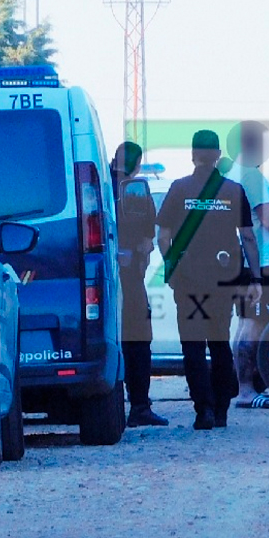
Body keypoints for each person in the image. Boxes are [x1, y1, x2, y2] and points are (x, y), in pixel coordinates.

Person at [157, 130, 262, 430]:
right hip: (224, 280)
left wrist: (173, 267)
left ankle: (202, 410)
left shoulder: (178, 189)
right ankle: (221, 409)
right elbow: (249, 238)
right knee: (218, 342)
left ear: (193, 155)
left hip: (188, 281)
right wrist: (255, 277)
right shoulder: (232, 190)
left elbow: (163, 237)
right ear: (217, 156)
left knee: (192, 345)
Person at [225, 121, 269, 410]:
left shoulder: (231, 173)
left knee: (244, 323)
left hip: (243, 260)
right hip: (260, 262)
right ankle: (246, 390)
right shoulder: (250, 176)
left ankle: (242, 386)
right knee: (253, 323)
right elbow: (268, 219)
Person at [111, 142, 168, 428]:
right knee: (138, 340)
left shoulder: (97, 185)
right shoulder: (136, 191)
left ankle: (122, 404)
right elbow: (149, 240)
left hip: (101, 275)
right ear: (137, 165)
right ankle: (139, 406)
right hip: (129, 278)